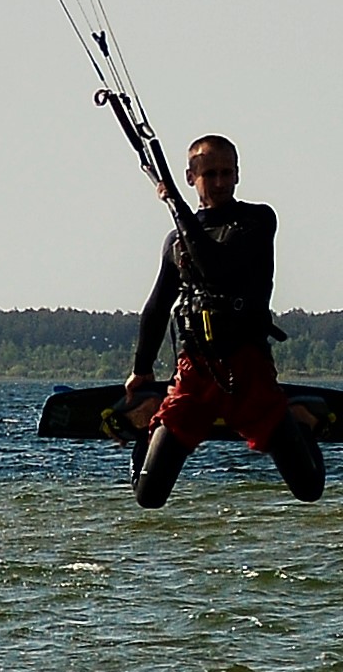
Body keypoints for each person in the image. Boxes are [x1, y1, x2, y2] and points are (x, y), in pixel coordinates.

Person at [121, 135, 324, 507]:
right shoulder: (176, 241)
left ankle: (300, 419)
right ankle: (148, 419)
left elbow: (216, 266)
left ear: (237, 175)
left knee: (309, 490)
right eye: (209, 174)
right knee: (148, 497)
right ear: (191, 177)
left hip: (247, 368)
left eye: (226, 173)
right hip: (195, 372)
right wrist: (142, 370)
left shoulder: (257, 220)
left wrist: (175, 205)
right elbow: (157, 307)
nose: (219, 182)